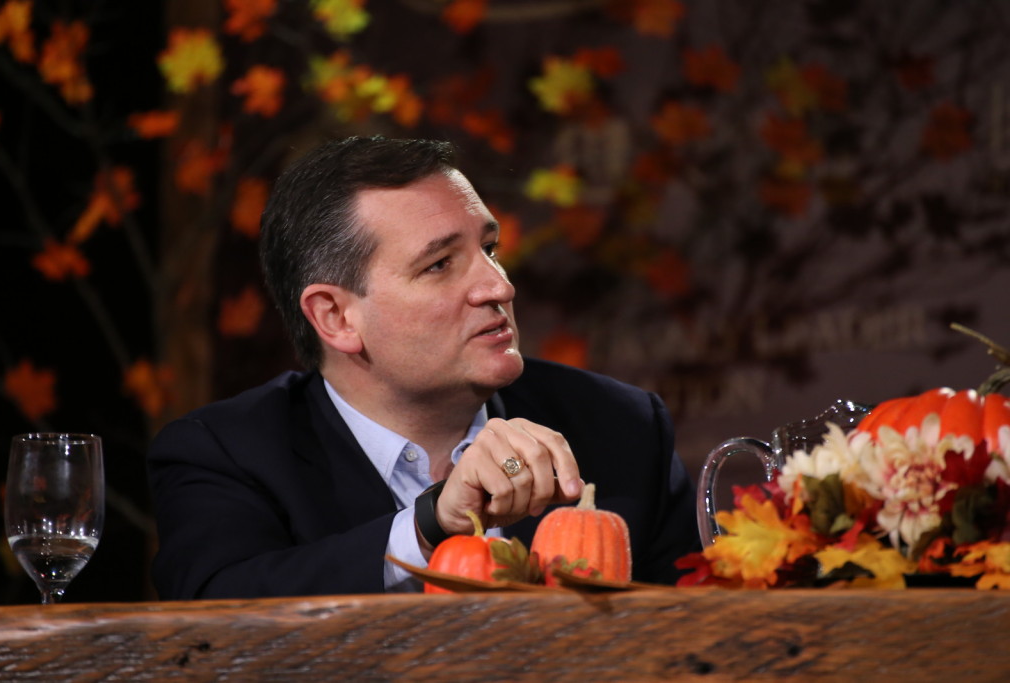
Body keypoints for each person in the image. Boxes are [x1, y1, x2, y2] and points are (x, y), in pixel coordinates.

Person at [147, 136, 699, 598]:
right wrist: (429, 525)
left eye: (491, 249)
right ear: (336, 316)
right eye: (439, 264)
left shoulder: (620, 426)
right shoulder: (225, 454)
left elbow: (696, 650)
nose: (499, 287)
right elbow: (213, 625)